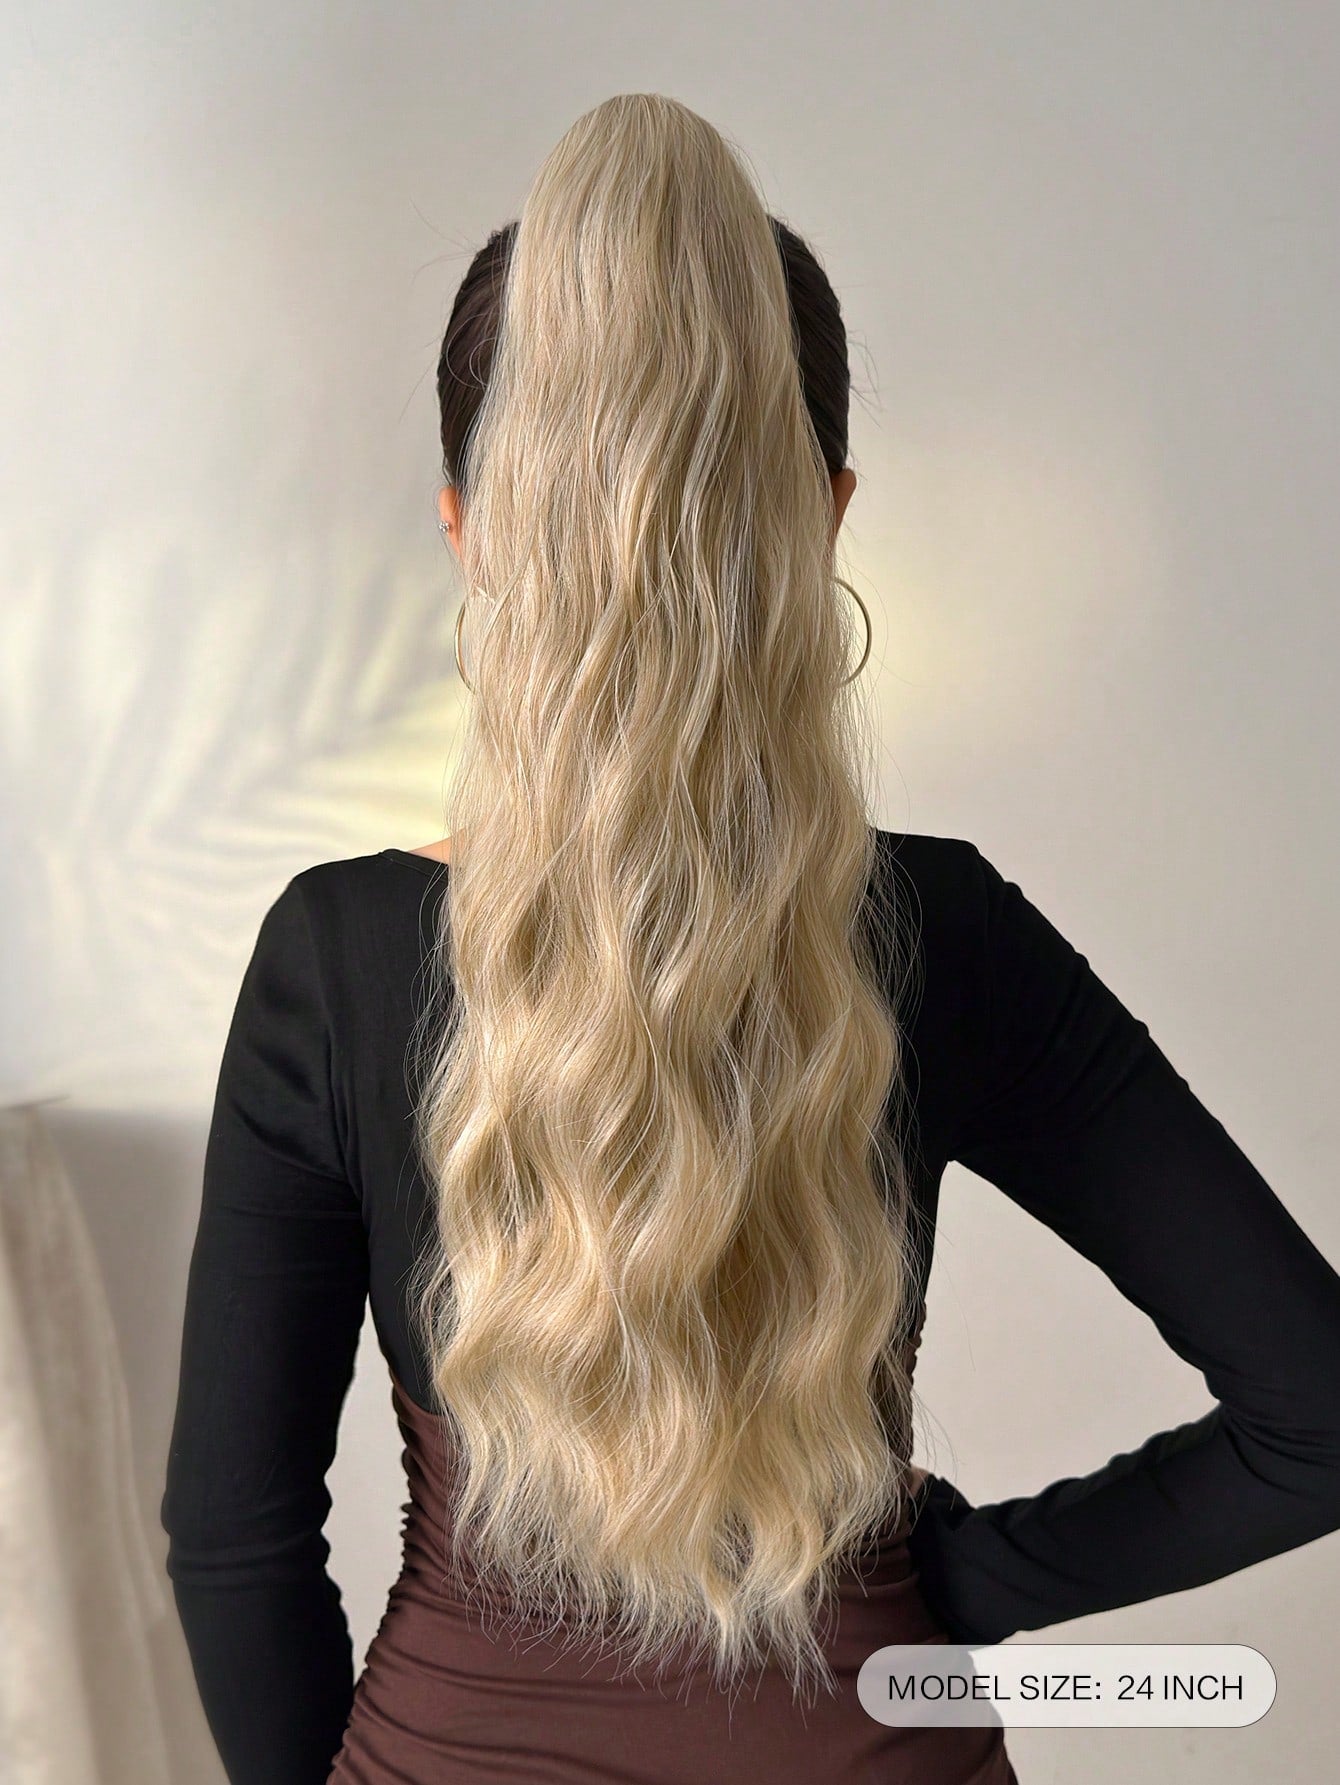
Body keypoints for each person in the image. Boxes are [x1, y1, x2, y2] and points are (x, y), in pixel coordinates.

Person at [160, 93, 1340, 1784]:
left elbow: (236, 1542)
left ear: (470, 529)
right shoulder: (947, 934)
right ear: (827, 514)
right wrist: (967, 1585)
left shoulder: (332, 959)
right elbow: (1318, 1412)